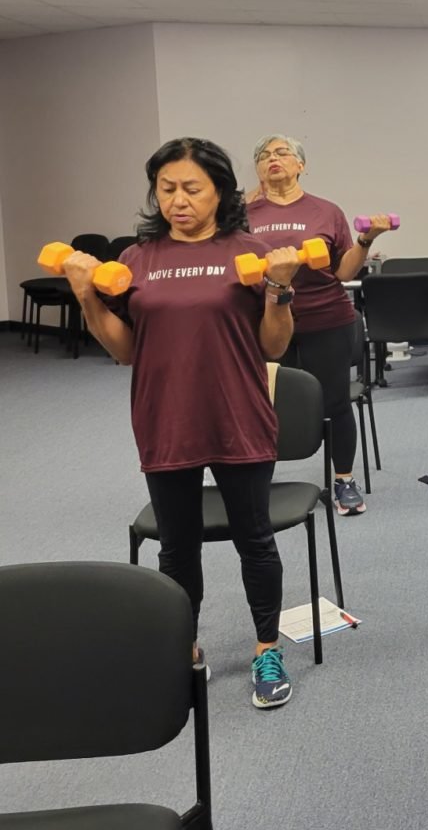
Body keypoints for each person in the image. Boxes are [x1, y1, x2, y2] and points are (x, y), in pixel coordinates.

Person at [62, 137, 301, 710]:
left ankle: (267, 647)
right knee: (177, 547)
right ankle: (185, 646)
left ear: (219, 190)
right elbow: (124, 350)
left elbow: (274, 345)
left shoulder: (250, 251)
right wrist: (87, 299)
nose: (178, 200)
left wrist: (279, 289)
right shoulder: (136, 261)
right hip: (164, 417)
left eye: (191, 188)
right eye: (166, 189)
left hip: (238, 413)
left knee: (255, 539)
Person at [247, 134, 393, 515]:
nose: (273, 159)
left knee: (334, 403)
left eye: (283, 153)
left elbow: (344, 270)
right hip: (264, 323)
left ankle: (344, 481)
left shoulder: (326, 211)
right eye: (264, 156)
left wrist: (365, 239)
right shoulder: (242, 215)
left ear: (301, 165)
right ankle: (257, 481)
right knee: (260, 405)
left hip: (326, 319)